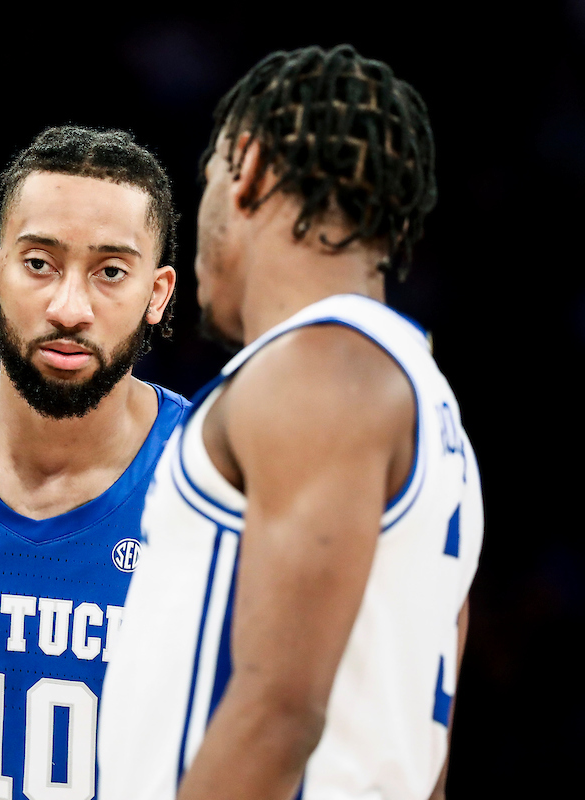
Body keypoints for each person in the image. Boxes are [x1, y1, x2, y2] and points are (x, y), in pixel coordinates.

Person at [98, 45, 481, 800]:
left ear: (247, 169)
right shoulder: (429, 404)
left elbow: (278, 712)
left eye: (204, 180)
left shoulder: (317, 369)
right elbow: (425, 758)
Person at [0, 126, 186, 800]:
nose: (68, 308)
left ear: (158, 292)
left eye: (111, 271)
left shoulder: (212, 479)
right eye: (39, 263)